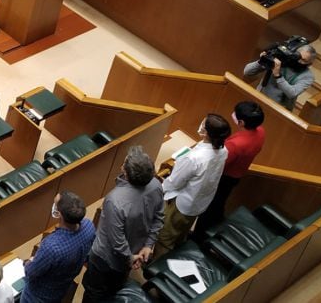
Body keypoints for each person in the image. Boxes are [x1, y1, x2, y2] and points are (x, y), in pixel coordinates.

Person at [81, 147, 164, 302]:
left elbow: (116, 240)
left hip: (106, 259)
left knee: (94, 292)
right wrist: (148, 245)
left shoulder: (115, 200)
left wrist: (130, 258)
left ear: (125, 172)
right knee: (115, 285)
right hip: (134, 252)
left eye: (124, 164)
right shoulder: (156, 185)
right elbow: (158, 217)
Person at [155, 113, 230, 257]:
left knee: (165, 237)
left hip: (183, 204)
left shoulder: (194, 158)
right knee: (181, 233)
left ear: (205, 133)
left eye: (203, 124)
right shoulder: (223, 150)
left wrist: (162, 188)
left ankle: (155, 267)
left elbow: (175, 182)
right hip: (200, 201)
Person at [195, 102, 265, 235]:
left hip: (224, 176)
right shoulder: (261, 131)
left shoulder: (235, 145)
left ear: (241, 122)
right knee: (219, 202)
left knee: (210, 206)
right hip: (237, 174)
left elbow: (219, 164)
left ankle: (199, 235)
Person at [21, 191, 96, 303]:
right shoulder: (89, 226)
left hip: (37, 296)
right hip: (62, 287)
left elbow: (31, 273)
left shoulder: (51, 247)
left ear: (59, 214)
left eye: (55, 204)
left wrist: (28, 262)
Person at [243, 42, 316, 111]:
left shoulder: (308, 77)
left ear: (310, 64)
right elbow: (247, 72)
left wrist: (278, 76)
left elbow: (292, 93)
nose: (298, 61)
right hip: (259, 97)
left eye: (303, 60)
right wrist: (262, 60)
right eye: (297, 56)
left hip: (279, 108)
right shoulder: (281, 59)